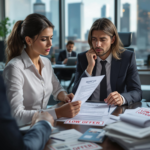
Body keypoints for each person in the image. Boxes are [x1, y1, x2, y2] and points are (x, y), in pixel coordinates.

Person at [3, 13, 81, 127]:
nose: (50, 44)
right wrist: (57, 112)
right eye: (44, 39)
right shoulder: (14, 68)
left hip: (43, 126)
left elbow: (57, 89)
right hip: (23, 131)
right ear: (29, 40)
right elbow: (16, 115)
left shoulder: (46, 63)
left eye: (51, 38)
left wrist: (65, 96)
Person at [72, 18, 142, 106]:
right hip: (89, 109)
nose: (97, 44)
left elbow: (137, 92)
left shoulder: (127, 58)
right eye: (94, 39)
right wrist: (90, 67)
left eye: (102, 40)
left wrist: (122, 98)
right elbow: (75, 94)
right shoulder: (83, 58)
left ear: (112, 40)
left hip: (115, 110)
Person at [0, 75, 54, 150]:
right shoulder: (14, 67)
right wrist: (44, 122)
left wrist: (63, 94)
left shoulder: (47, 64)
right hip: (31, 124)